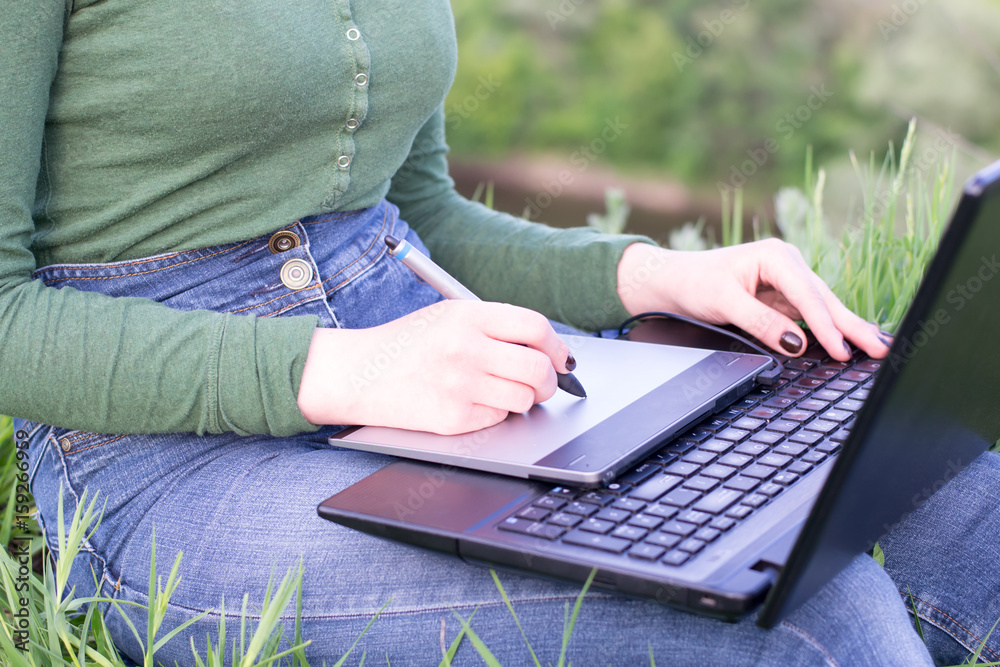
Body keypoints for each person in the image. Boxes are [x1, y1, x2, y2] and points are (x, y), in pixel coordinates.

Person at [4, 1, 999, 665]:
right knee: (815, 629)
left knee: (955, 496)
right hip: (163, 459)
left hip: (435, 353)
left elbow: (418, 211)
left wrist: (656, 273)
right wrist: (344, 369)